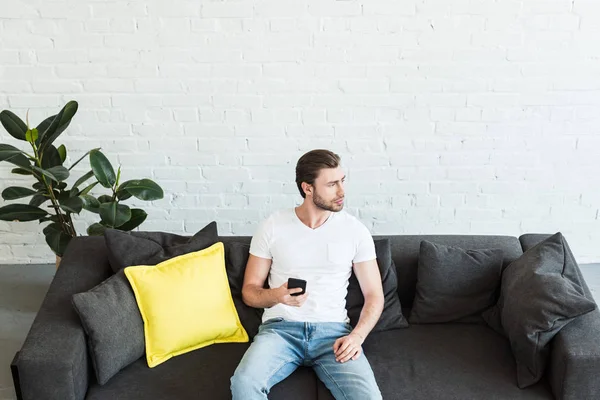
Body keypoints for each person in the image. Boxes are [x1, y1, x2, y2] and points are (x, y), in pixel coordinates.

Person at [230, 149, 384, 400]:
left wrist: (357, 336)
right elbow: (250, 292)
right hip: (280, 332)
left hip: (333, 334)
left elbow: (374, 295)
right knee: (244, 385)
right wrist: (277, 296)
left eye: (342, 181)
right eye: (332, 184)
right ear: (308, 188)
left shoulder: (355, 231)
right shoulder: (272, 226)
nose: (342, 191)